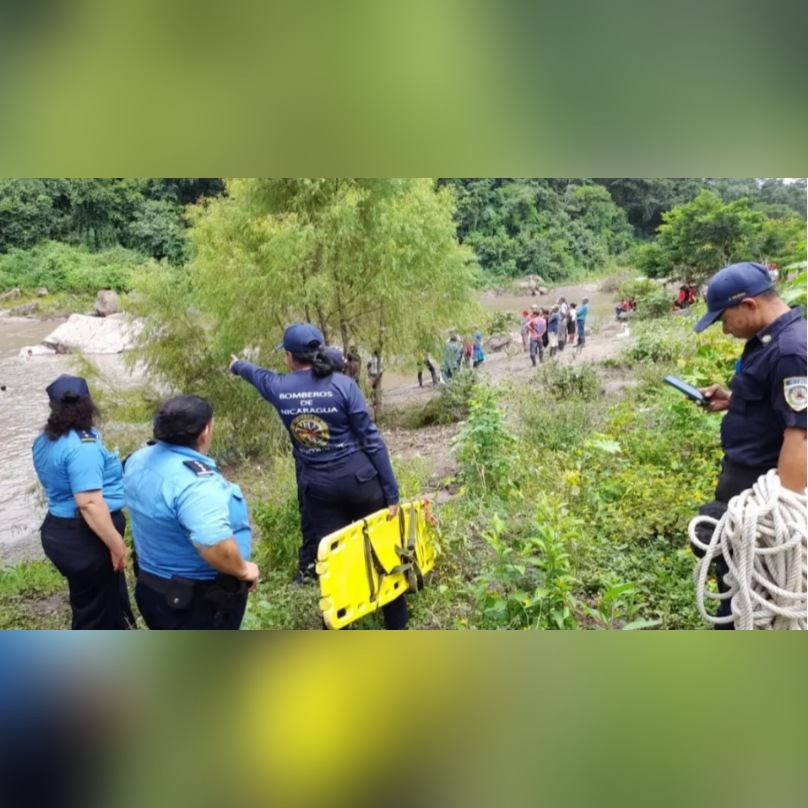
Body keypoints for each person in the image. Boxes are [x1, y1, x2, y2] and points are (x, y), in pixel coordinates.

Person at [230, 322, 408, 629]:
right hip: (361, 483)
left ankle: (338, 629)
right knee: (383, 551)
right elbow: (371, 438)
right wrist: (391, 492)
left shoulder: (278, 386)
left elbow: (253, 373)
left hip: (320, 491)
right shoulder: (343, 384)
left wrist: (236, 364)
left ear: (288, 356)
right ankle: (395, 625)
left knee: (333, 565)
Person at [691, 262, 806, 629]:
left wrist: (772, 522)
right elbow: (772, 407)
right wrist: (730, 399)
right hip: (742, 490)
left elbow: (800, 438)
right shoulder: (765, 342)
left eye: (724, 318)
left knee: (755, 607)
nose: (723, 328)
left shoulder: (792, 352)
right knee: (733, 589)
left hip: (761, 500)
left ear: (750, 306)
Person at [124, 395, 259, 630]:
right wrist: (243, 569)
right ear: (204, 432)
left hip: (152, 587)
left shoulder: (138, 459)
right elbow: (214, 544)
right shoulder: (196, 484)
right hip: (195, 603)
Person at [32, 374, 135, 630]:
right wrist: (117, 545)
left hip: (60, 530)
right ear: (89, 404)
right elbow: (89, 503)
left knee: (97, 601)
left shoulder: (44, 441)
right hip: (87, 536)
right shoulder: (82, 446)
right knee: (95, 616)